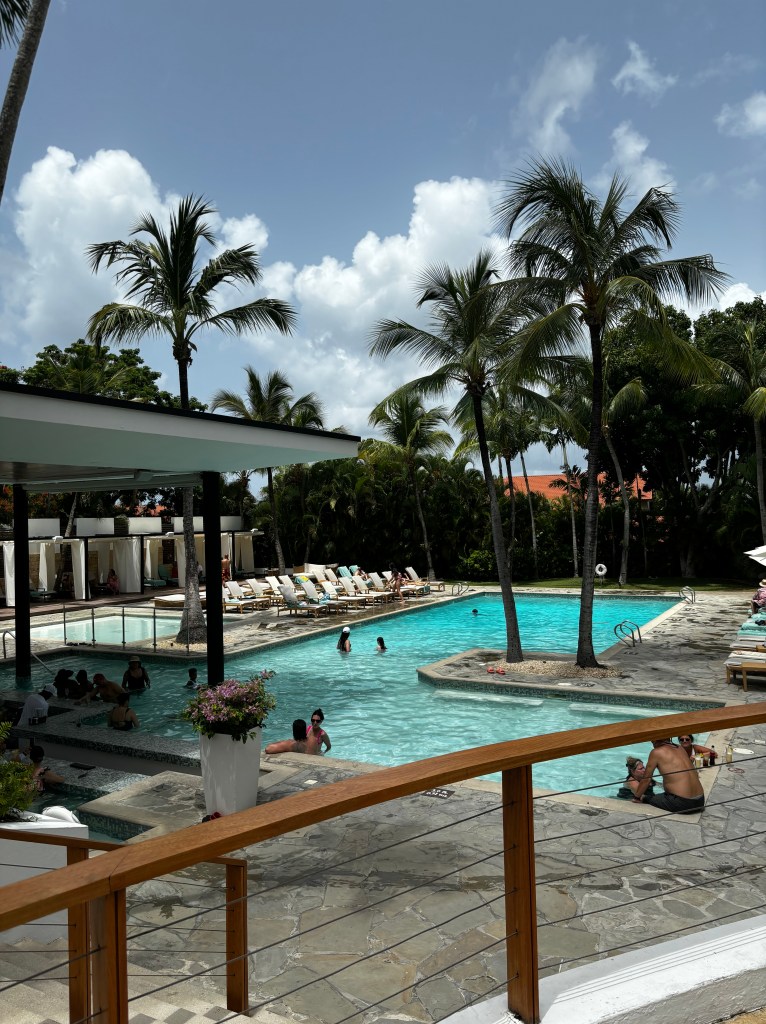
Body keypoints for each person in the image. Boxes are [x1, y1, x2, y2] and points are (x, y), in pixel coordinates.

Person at [633, 738, 705, 813]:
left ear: (654, 740)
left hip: (683, 803)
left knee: (645, 797)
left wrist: (636, 797)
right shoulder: (680, 747)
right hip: (700, 801)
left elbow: (646, 779)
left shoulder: (656, 752)